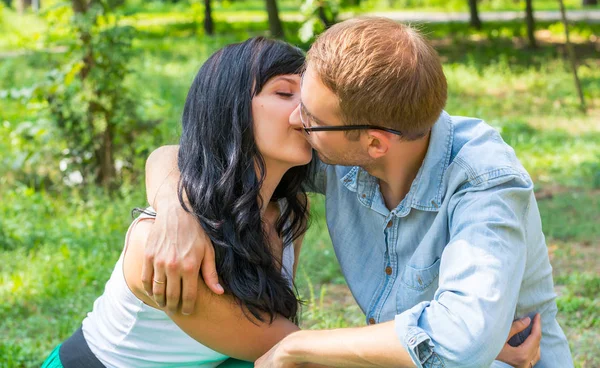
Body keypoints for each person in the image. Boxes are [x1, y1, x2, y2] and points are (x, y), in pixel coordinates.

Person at [144, 18, 572, 368]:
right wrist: (174, 211)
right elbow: (189, 153)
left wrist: (301, 346)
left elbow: (461, 343)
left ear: (374, 143)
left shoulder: (484, 180)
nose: (296, 119)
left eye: (310, 115)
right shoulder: (342, 149)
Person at [41, 37, 316, 368]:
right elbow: (291, 349)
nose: (309, 109)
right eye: (285, 93)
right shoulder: (165, 245)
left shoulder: (287, 212)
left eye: (310, 94)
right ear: (230, 108)